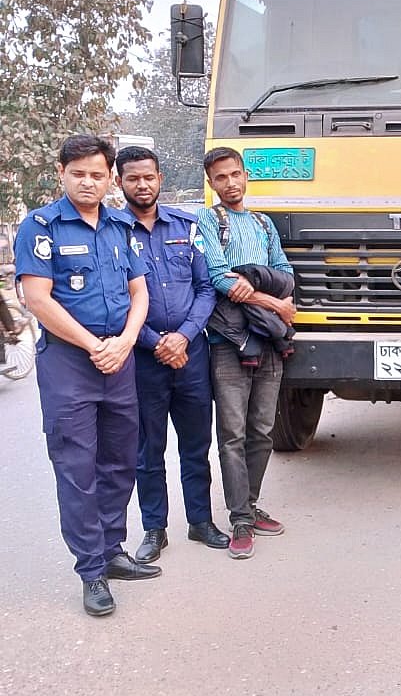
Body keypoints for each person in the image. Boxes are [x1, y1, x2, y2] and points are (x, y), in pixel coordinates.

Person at [14, 134, 159, 617]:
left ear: (109, 178)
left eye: (98, 174)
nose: (88, 182)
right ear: (62, 174)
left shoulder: (120, 226)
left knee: (119, 461)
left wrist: (123, 342)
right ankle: (91, 571)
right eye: (79, 174)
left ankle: (113, 550)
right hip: (70, 364)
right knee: (78, 470)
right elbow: (37, 299)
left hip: (118, 362)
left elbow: (139, 293)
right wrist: (96, 345)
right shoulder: (41, 226)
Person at [115, 146, 228, 563]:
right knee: (148, 449)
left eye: (149, 177)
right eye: (133, 178)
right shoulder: (112, 232)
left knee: (196, 445)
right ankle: (154, 529)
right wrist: (155, 343)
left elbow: (205, 287)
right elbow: (119, 299)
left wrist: (182, 336)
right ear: (119, 182)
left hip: (192, 355)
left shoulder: (188, 224)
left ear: (160, 178)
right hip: (144, 360)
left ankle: (200, 522)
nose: (142, 185)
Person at [196, 147, 295, 560]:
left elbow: (286, 274)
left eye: (235, 174)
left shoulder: (262, 223)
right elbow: (220, 276)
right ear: (211, 183)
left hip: (268, 341)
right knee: (232, 434)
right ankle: (239, 518)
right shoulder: (208, 219)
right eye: (221, 178)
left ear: (245, 175)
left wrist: (258, 285)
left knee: (262, 431)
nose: (230, 183)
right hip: (228, 343)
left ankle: (250, 505)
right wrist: (274, 303)